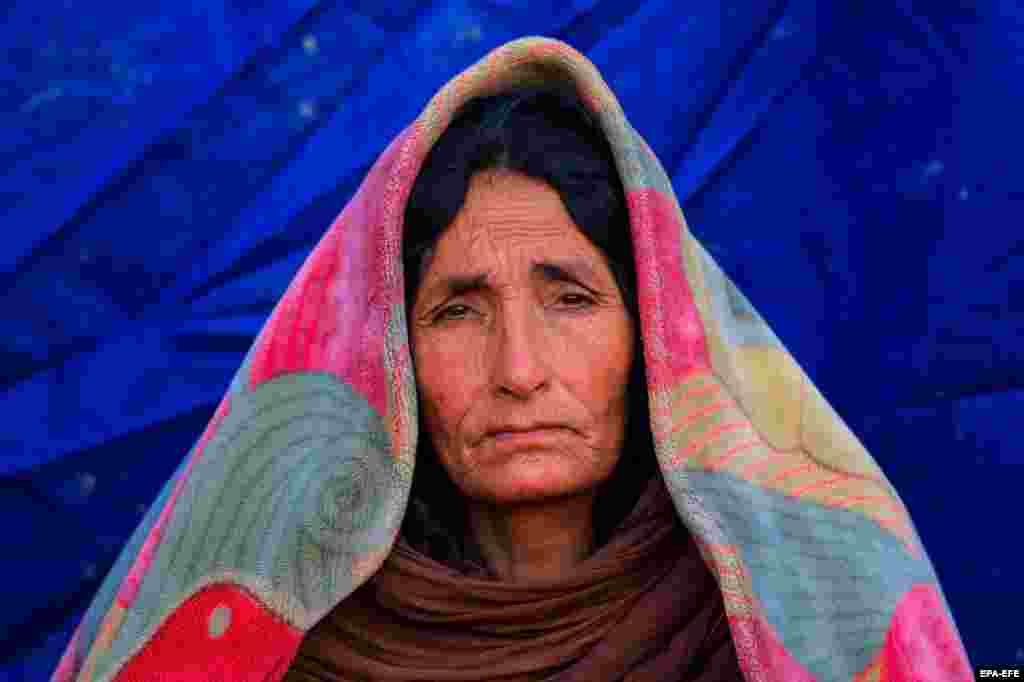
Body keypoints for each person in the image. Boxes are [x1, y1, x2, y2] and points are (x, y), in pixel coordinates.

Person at [53, 37, 972, 682]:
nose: (520, 370)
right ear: (388, 356)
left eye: (571, 298)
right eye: (458, 309)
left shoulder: (783, 620)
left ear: (655, 330)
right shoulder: (288, 649)